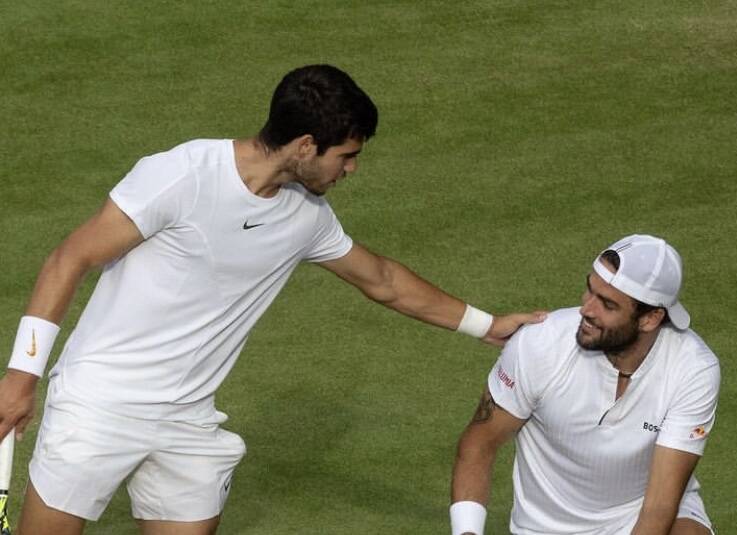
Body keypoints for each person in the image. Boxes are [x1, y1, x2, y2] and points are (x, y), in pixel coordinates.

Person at [0, 64, 543, 535]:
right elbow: (68, 258)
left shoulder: (306, 217)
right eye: (347, 155)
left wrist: (487, 325)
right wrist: (22, 376)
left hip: (188, 418)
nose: (351, 169)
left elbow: (382, 279)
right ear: (306, 146)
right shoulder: (182, 176)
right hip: (100, 404)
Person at [450, 234, 720, 535]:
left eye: (607, 304)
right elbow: (479, 445)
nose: (587, 310)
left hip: (640, 514)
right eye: (589, 290)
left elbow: (659, 507)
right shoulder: (541, 343)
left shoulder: (693, 368)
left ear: (651, 318)